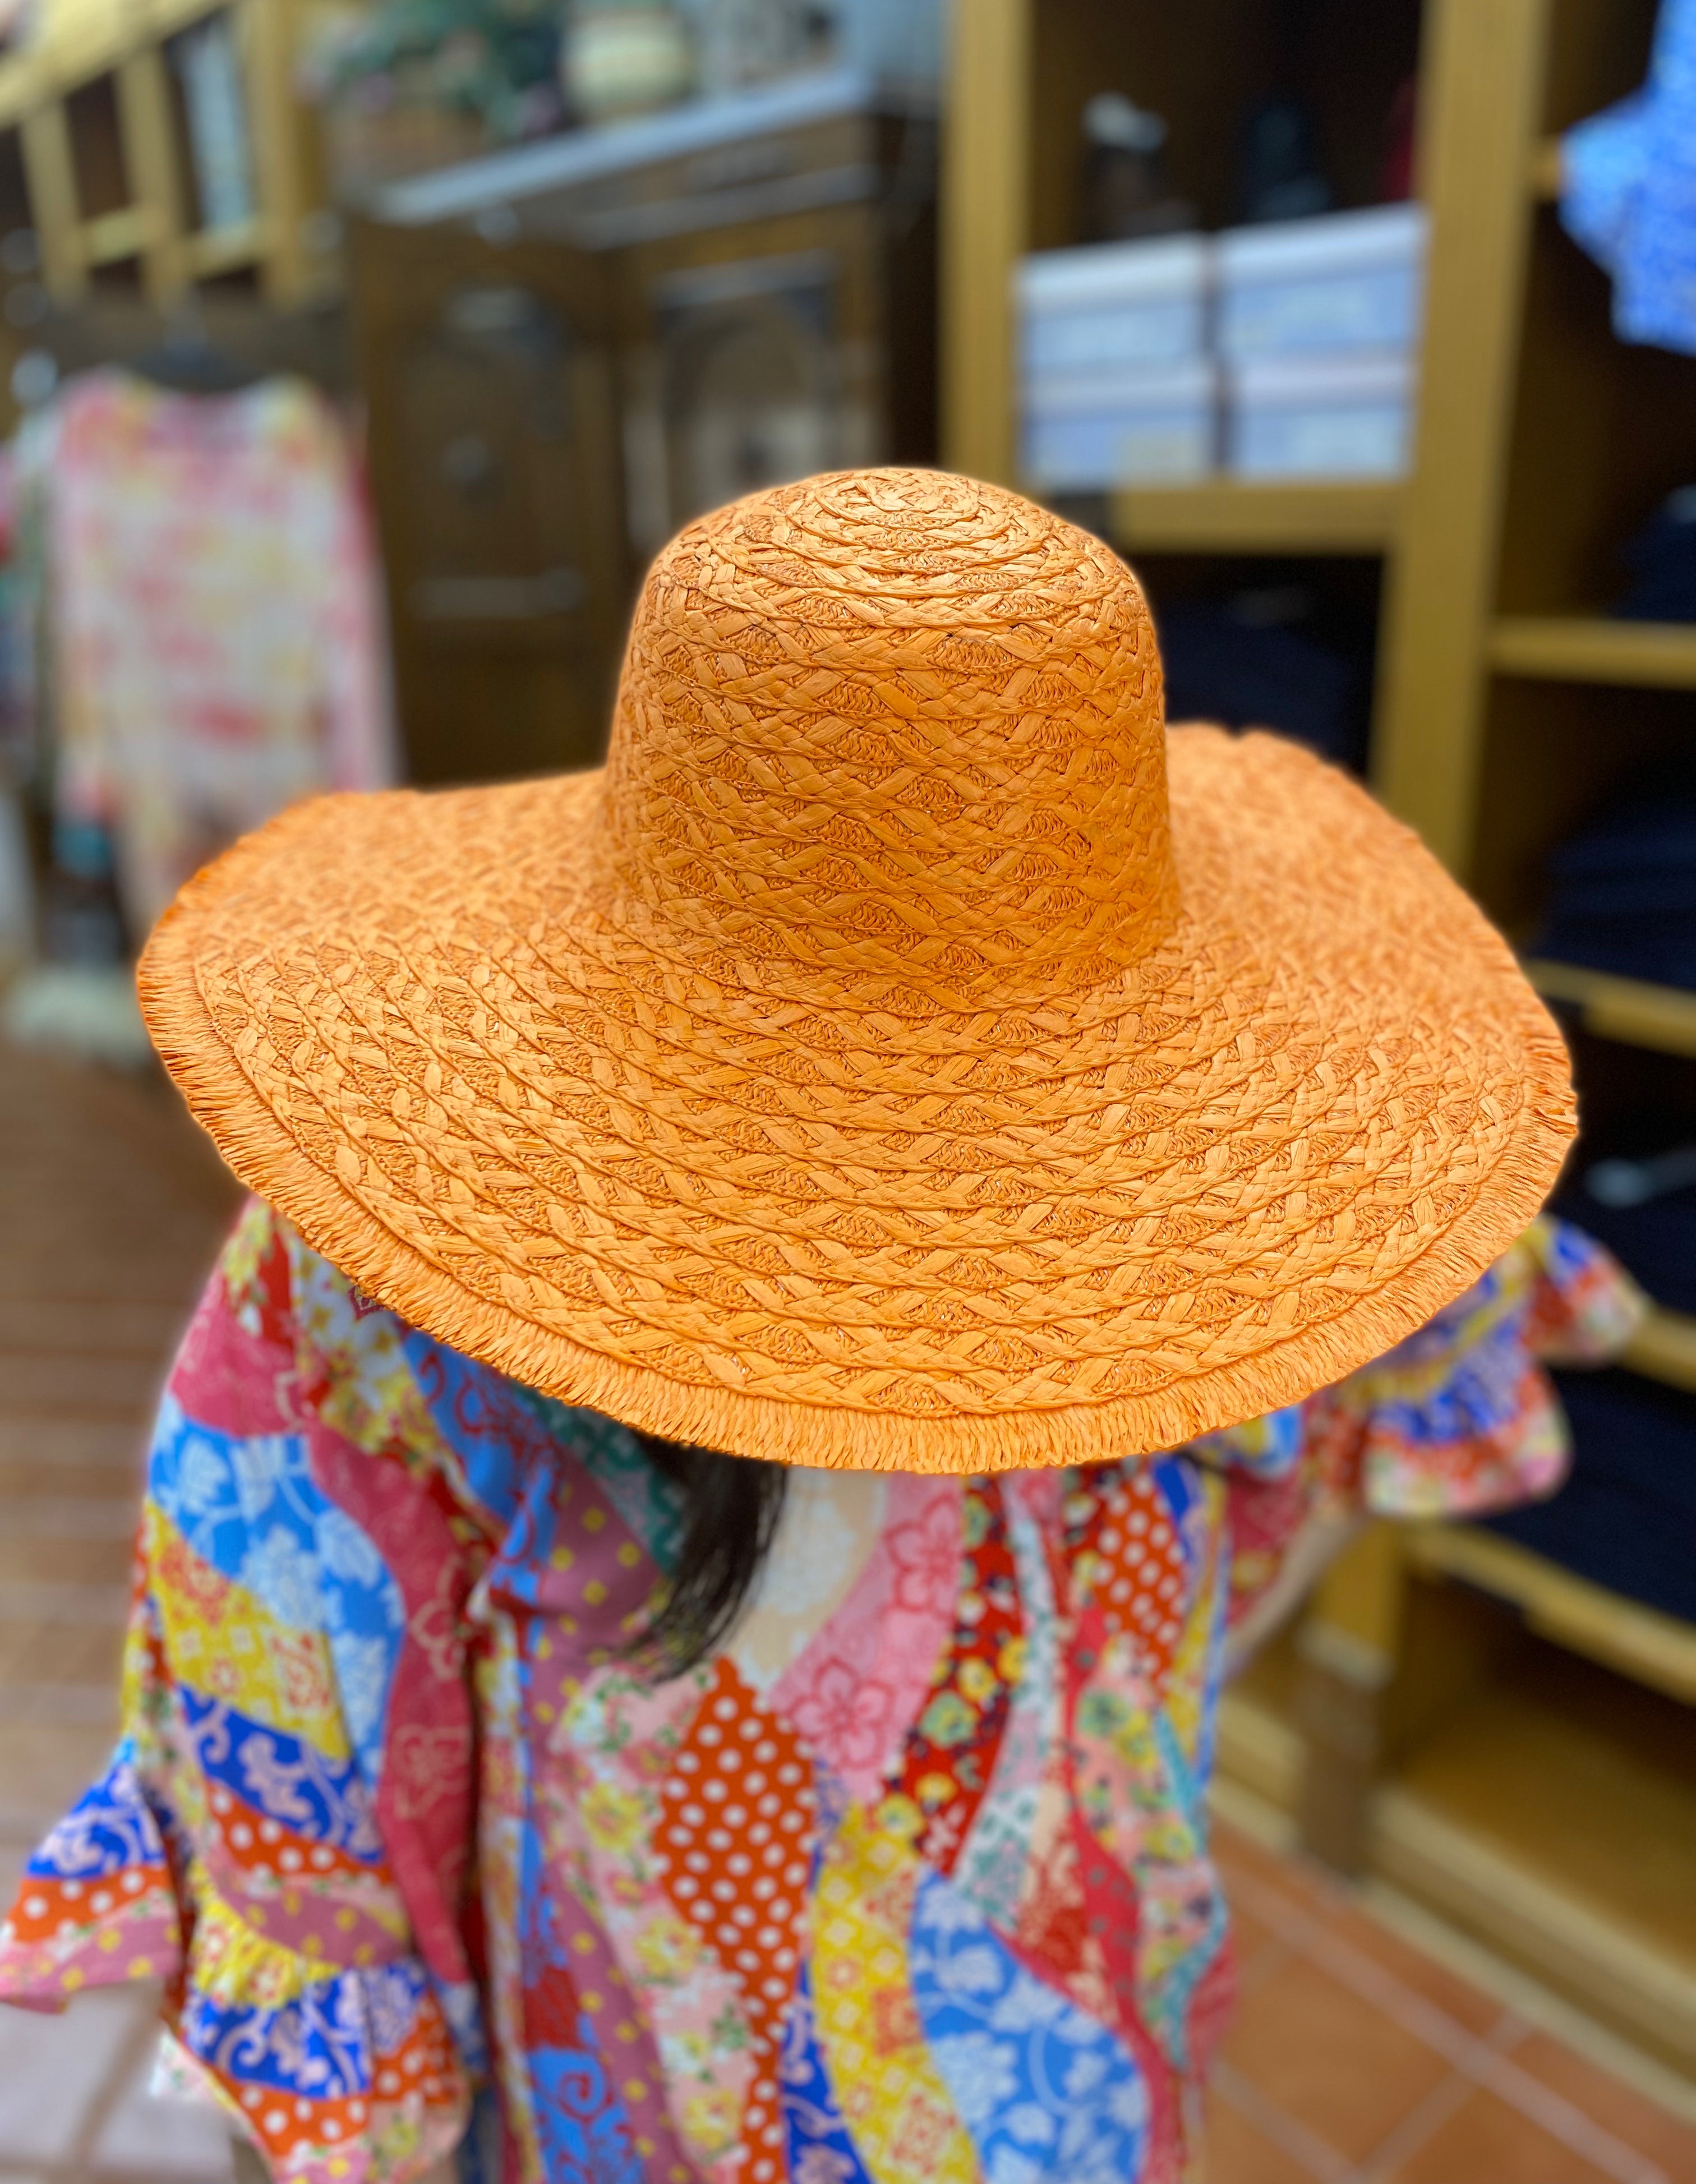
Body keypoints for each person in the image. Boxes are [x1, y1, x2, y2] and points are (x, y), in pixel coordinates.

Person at [0, 472, 1639, 2183]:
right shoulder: (386, 1288)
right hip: (831, 2090)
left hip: (1002, 2060)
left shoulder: (1302, 1173)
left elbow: (299, 1784)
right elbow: (290, 1781)